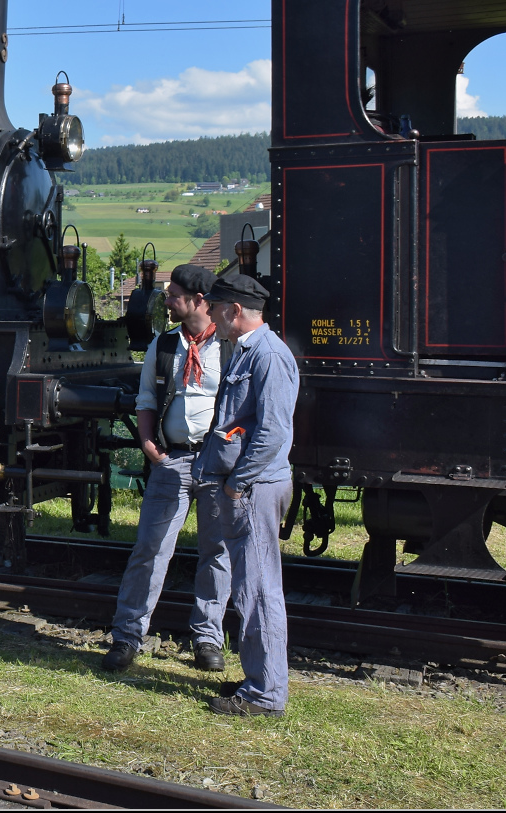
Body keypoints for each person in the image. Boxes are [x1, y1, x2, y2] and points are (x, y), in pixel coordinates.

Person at [100, 263, 233, 674]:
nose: (167, 300)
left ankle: (208, 639)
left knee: (217, 552)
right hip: (171, 459)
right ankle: (127, 637)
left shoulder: (230, 346)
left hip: (216, 462)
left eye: (173, 294)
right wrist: (147, 442)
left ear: (197, 300)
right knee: (151, 549)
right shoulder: (164, 345)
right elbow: (146, 400)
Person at [195, 270, 299, 717]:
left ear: (236, 310)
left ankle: (264, 695)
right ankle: (261, 676)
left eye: (217, 309)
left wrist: (238, 482)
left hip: (254, 487)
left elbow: (274, 432)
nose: (212, 316)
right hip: (250, 486)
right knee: (251, 586)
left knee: (258, 590)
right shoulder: (247, 351)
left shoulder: (268, 356)